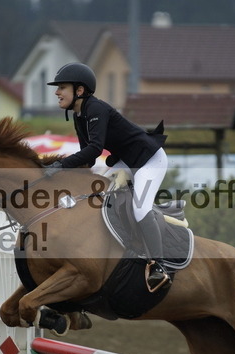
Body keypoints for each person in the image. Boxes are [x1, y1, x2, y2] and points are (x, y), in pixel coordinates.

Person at [44, 62, 171, 289]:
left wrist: (61, 165)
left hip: (150, 160)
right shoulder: (79, 115)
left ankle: (158, 266)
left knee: (140, 208)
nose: (57, 92)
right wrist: (63, 175)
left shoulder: (96, 109)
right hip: (126, 161)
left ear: (79, 90)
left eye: (62, 87)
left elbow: (94, 149)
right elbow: (88, 159)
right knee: (96, 194)